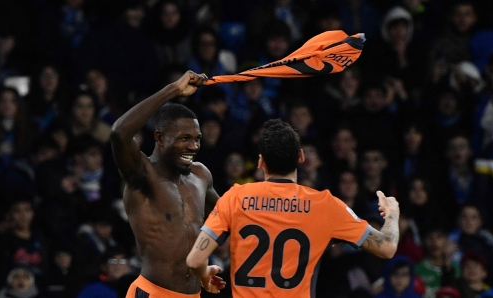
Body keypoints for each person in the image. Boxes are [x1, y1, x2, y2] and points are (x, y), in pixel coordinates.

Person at [186, 119, 400, 296]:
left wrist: (205, 275)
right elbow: (387, 247)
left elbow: (195, 259)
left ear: (260, 161)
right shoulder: (325, 204)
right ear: (300, 157)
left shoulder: (234, 198)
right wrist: (391, 215)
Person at [110, 70, 224, 297]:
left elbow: (224, 221)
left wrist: (201, 268)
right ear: (160, 138)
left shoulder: (201, 175)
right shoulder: (142, 174)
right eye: (184, 138)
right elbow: (119, 133)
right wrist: (173, 90)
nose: (193, 146)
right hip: (154, 293)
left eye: (197, 139)